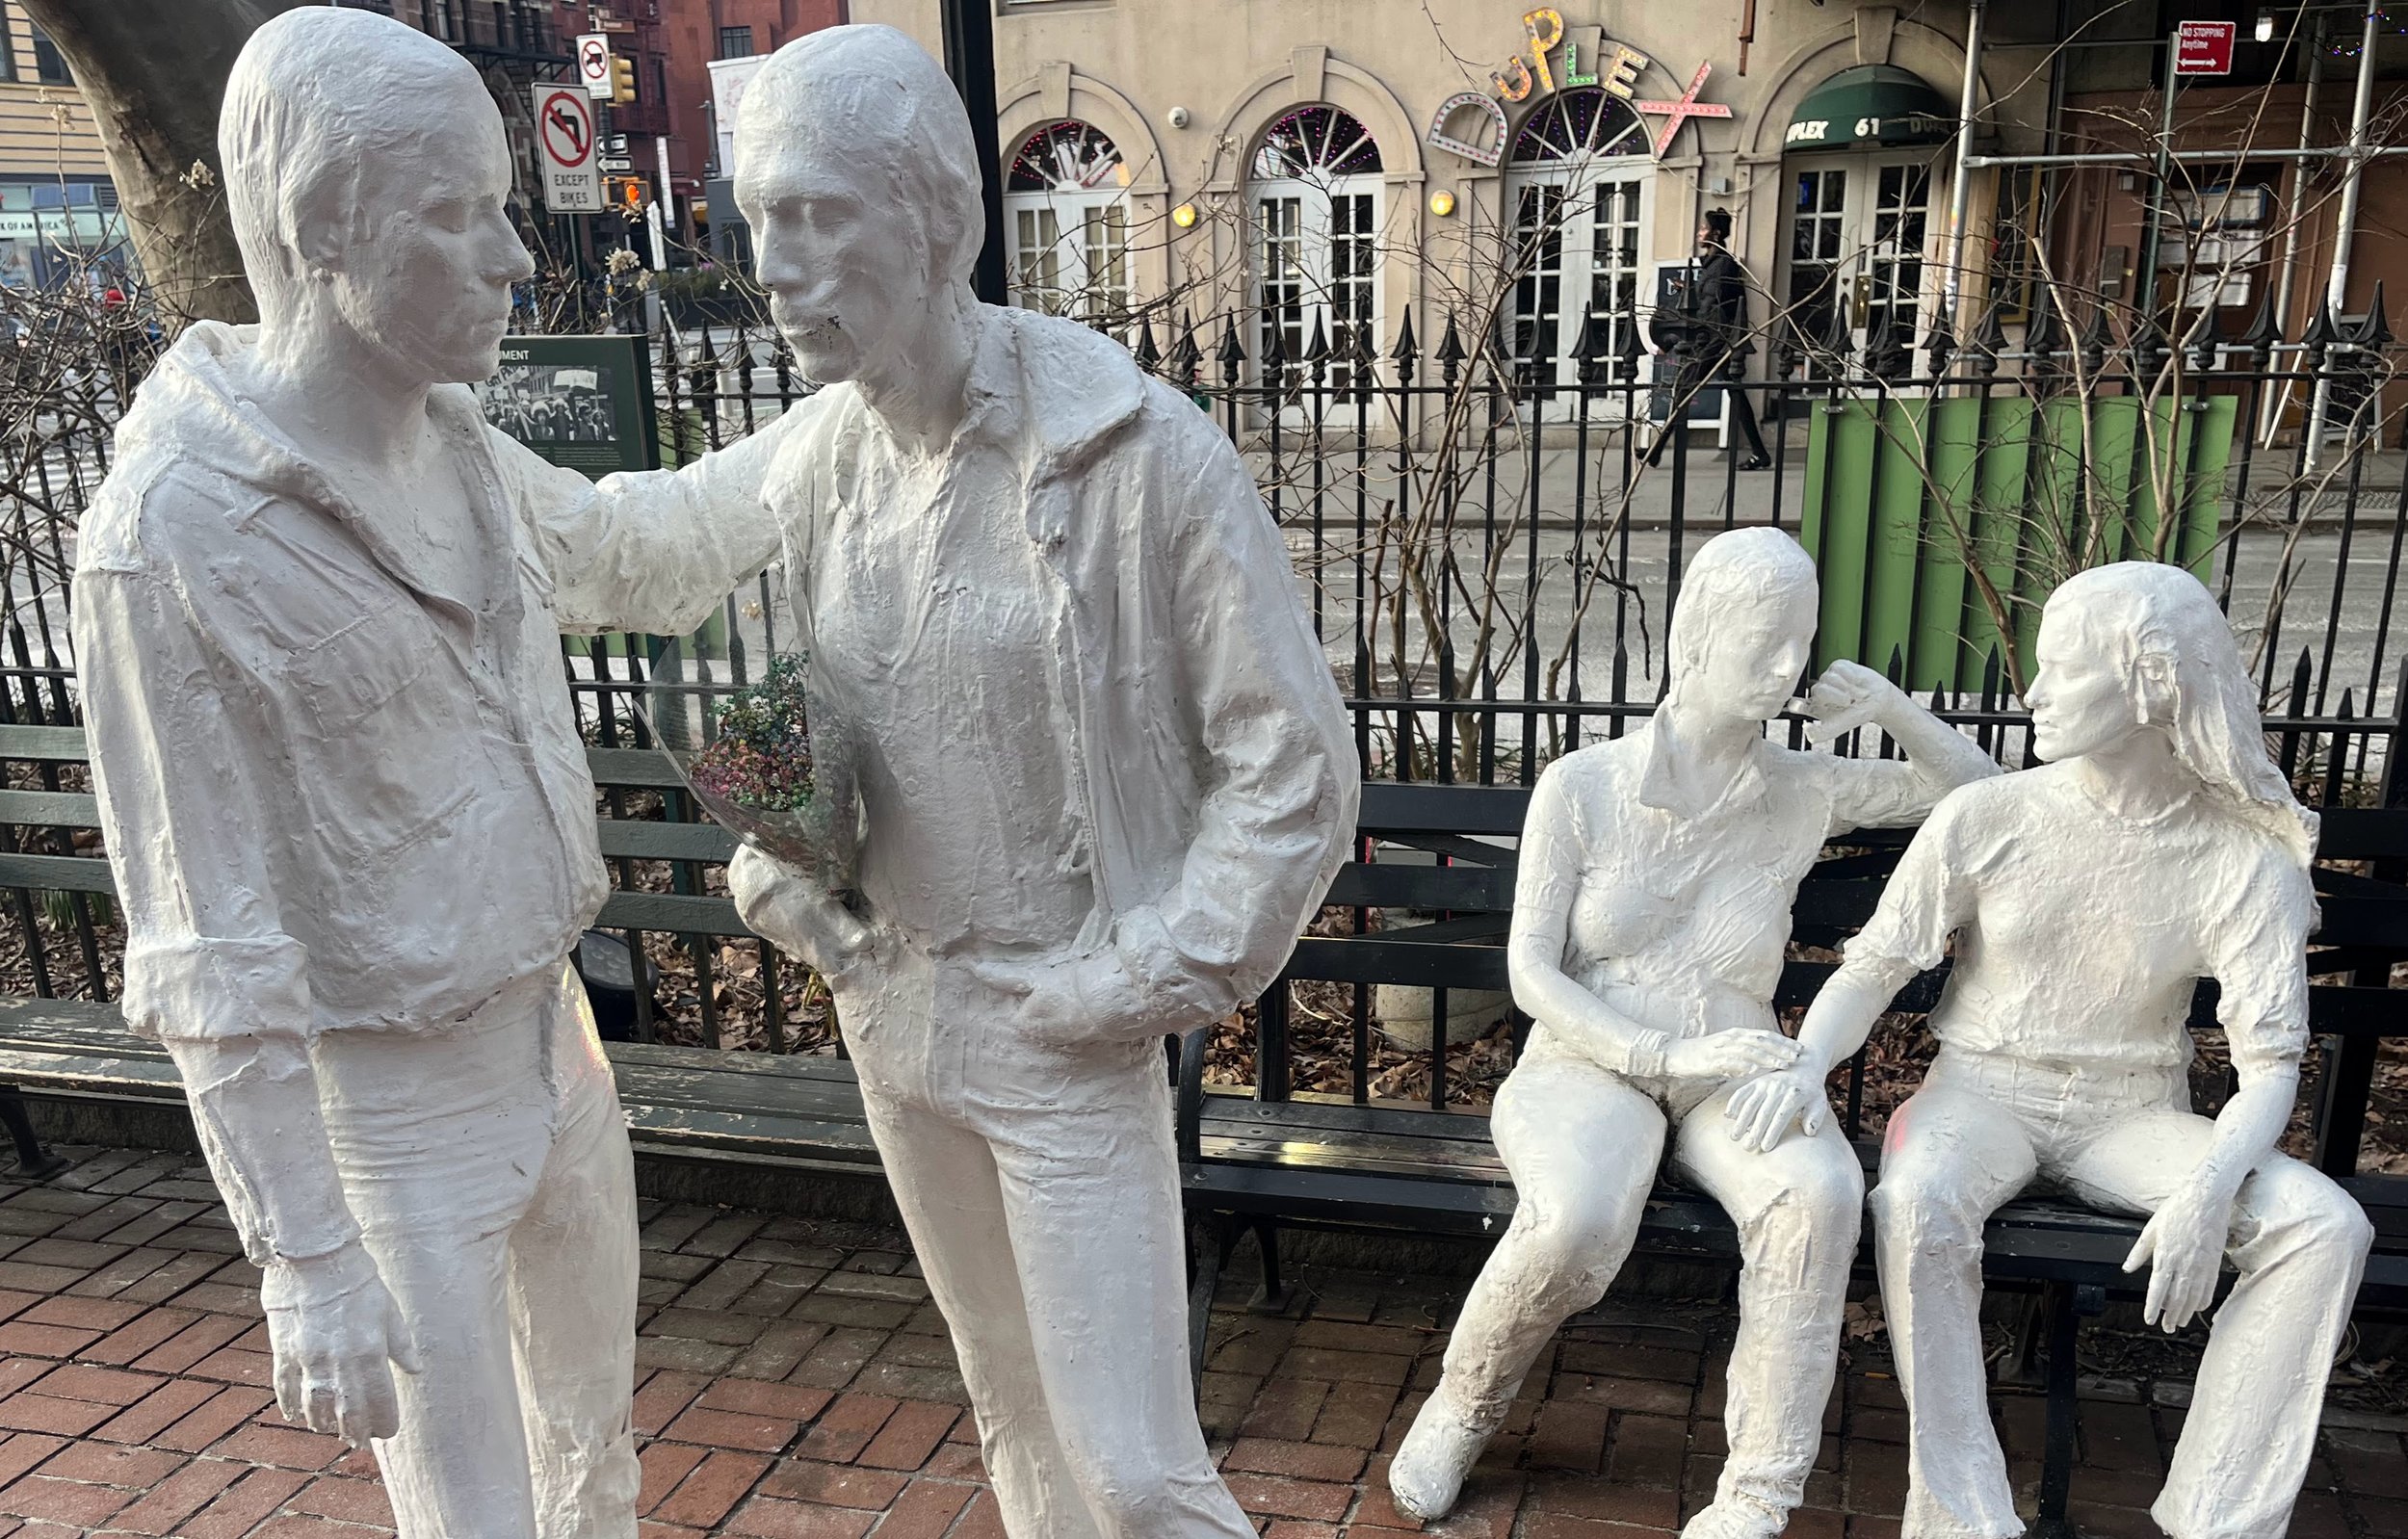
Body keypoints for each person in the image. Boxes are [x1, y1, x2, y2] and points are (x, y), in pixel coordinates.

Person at [632, 25, 1357, 1538]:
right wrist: (794, 869)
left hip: (1061, 1025)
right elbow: (674, 581)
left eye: (819, 215)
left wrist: (1138, 977)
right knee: (1009, 1408)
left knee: (1136, 1470)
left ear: (939, 219)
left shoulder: (1140, 455)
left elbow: (1293, 773)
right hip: (898, 1012)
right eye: (760, 221)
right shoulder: (825, 457)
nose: (775, 265)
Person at [74, 11, 788, 1535]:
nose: (518, 256)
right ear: (328, 228)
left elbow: (632, 551)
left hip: (558, 1043)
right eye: (460, 213)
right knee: (473, 1510)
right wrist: (305, 1255)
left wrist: (848, 424)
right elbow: (204, 939)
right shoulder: (173, 538)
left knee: (594, 1454)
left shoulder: (457, 442)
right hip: (390, 1109)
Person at [1388, 528, 1999, 1536]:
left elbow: (1980, 797)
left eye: (1798, 643)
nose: (1784, 666)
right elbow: (1531, 972)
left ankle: (1756, 1490)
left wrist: (1890, 708)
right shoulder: (1581, 786)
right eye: (1763, 639)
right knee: (1578, 1215)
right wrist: (1661, 1055)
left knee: (1819, 1192)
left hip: (1739, 1061)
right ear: (1693, 635)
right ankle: (1465, 1399)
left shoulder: (1807, 785)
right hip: (1590, 1058)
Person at [1790, 562, 2372, 1539]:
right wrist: (1803, 1063)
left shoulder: (2242, 858)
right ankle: (1960, 1516)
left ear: (2150, 685)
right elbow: (1876, 964)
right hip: (1977, 1092)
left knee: (2323, 1225)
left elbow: (2270, 1064)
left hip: (2133, 1112)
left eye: (2062, 670)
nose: (2032, 694)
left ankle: (2220, 1519)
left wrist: (2208, 1188)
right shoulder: (1989, 815)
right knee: (1917, 1203)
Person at [1645, 208, 1770, 472]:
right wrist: (1689, 290)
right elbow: (1712, 299)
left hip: (1714, 340)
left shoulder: (1722, 263)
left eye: (1703, 229)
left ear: (1714, 233)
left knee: (1684, 391)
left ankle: (1655, 453)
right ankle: (1760, 453)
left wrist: (1692, 327)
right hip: (1717, 338)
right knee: (1734, 394)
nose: (1699, 233)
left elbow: (1713, 307)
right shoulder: (1714, 264)